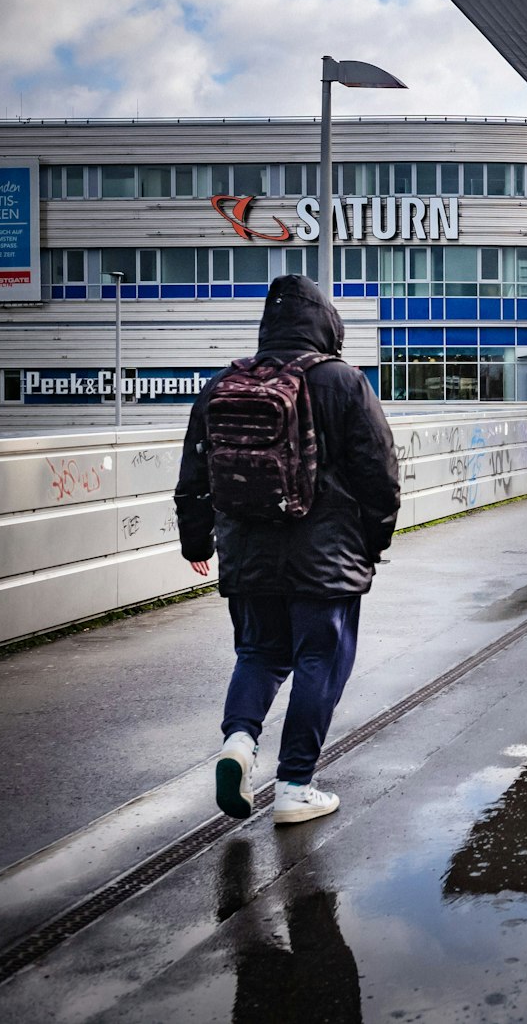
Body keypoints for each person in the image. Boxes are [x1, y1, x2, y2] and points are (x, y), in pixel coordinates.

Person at [175, 275, 400, 826]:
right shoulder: (343, 382)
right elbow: (380, 474)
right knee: (320, 661)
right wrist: (374, 542)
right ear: (325, 322)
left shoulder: (221, 386)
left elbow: (193, 475)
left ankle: (239, 742)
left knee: (259, 653)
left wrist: (197, 541)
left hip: (247, 554)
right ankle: (296, 785)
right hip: (325, 557)